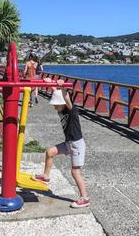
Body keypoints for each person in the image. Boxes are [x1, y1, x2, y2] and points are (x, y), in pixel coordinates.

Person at [32, 78, 90, 208]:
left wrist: (62, 87)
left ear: (62, 103)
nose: (54, 107)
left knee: (75, 172)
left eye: (56, 105)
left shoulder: (72, 111)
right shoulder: (62, 110)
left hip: (77, 145)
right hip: (69, 143)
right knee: (50, 152)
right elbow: (58, 95)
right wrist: (51, 84)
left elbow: (66, 98)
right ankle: (46, 176)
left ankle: (84, 198)